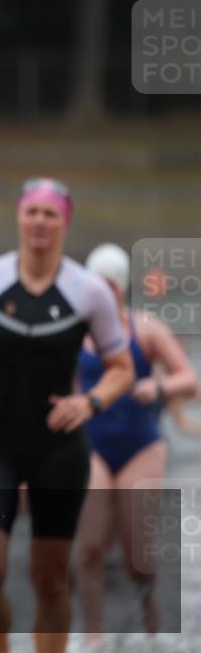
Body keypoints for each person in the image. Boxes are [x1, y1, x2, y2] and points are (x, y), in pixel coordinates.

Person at [0, 178, 135, 653]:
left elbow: (122, 368)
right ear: (19, 216)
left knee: (50, 578)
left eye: (51, 214)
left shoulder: (88, 291)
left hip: (58, 450)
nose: (39, 222)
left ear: (64, 224)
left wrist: (88, 403)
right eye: (32, 211)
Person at [75, 243, 199, 650]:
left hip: (141, 445)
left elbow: (190, 380)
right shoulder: (76, 334)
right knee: (90, 546)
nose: (103, 293)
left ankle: (151, 620)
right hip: (92, 446)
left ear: (122, 288)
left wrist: (159, 385)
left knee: (136, 557)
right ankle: (92, 634)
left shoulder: (145, 328)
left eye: (110, 285)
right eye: (95, 285)